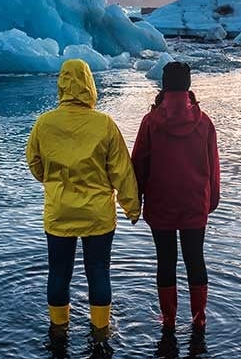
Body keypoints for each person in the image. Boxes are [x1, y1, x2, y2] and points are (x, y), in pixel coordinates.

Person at [26, 59, 141, 352]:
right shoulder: (104, 124)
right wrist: (132, 206)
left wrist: (52, 182)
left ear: (62, 84)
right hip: (98, 214)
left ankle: (58, 331)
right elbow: (121, 170)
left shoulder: (44, 123)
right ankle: (101, 333)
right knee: (99, 271)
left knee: (58, 272)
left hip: (60, 211)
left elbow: (34, 162)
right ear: (90, 85)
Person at [132, 62, 220, 333]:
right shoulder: (204, 122)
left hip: (161, 205)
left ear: (164, 85)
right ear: (188, 86)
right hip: (195, 203)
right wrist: (211, 201)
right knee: (196, 259)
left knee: (165, 261)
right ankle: (199, 317)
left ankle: (168, 319)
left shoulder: (151, 121)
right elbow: (213, 167)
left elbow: (138, 165)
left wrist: (135, 200)